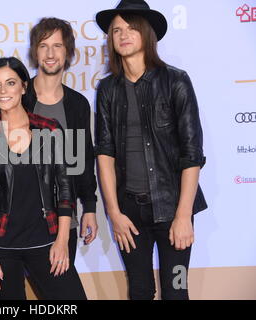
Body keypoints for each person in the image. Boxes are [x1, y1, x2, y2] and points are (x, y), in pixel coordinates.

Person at [94, 0, 207, 300]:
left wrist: (183, 215)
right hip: (129, 214)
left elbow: (192, 152)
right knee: (140, 291)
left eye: (131, 28)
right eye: (116, 30)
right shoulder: (107, 89)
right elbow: (104, 153)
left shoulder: (176, 81)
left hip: (173, 209)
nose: (123, 34)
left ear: (147, 34)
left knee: (177, 290)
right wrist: (113, 212)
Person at [0, 57, 87, 300]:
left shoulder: (49, 129)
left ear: (24, 87)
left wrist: (62, 240)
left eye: (10, 83)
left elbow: (65, 190)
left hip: (47, 242)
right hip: (0, 248)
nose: (3, 91)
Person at [25, 17, 98, 264]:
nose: (50, 53)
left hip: (65, 220)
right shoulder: (19, 98)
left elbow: (84, 160)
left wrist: (89, 207)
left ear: (67, 52)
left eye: (57, 46)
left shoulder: (77, 104)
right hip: (21, 220)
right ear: (35, 51)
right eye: (43, 45)